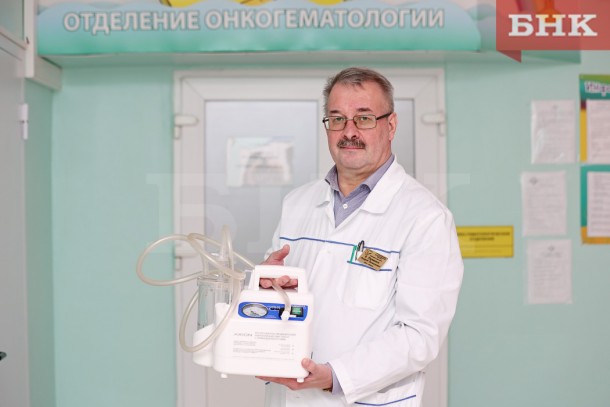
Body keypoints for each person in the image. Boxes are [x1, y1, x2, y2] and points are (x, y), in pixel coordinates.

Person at [257, 67, 464, 407]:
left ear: (391, 125)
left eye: (364, 118)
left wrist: (336, 376)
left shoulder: (425, 218)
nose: (348, 131)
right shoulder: (297, 204)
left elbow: (419, 336)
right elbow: (277, 297)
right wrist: (265, 283)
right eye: (337, 119)